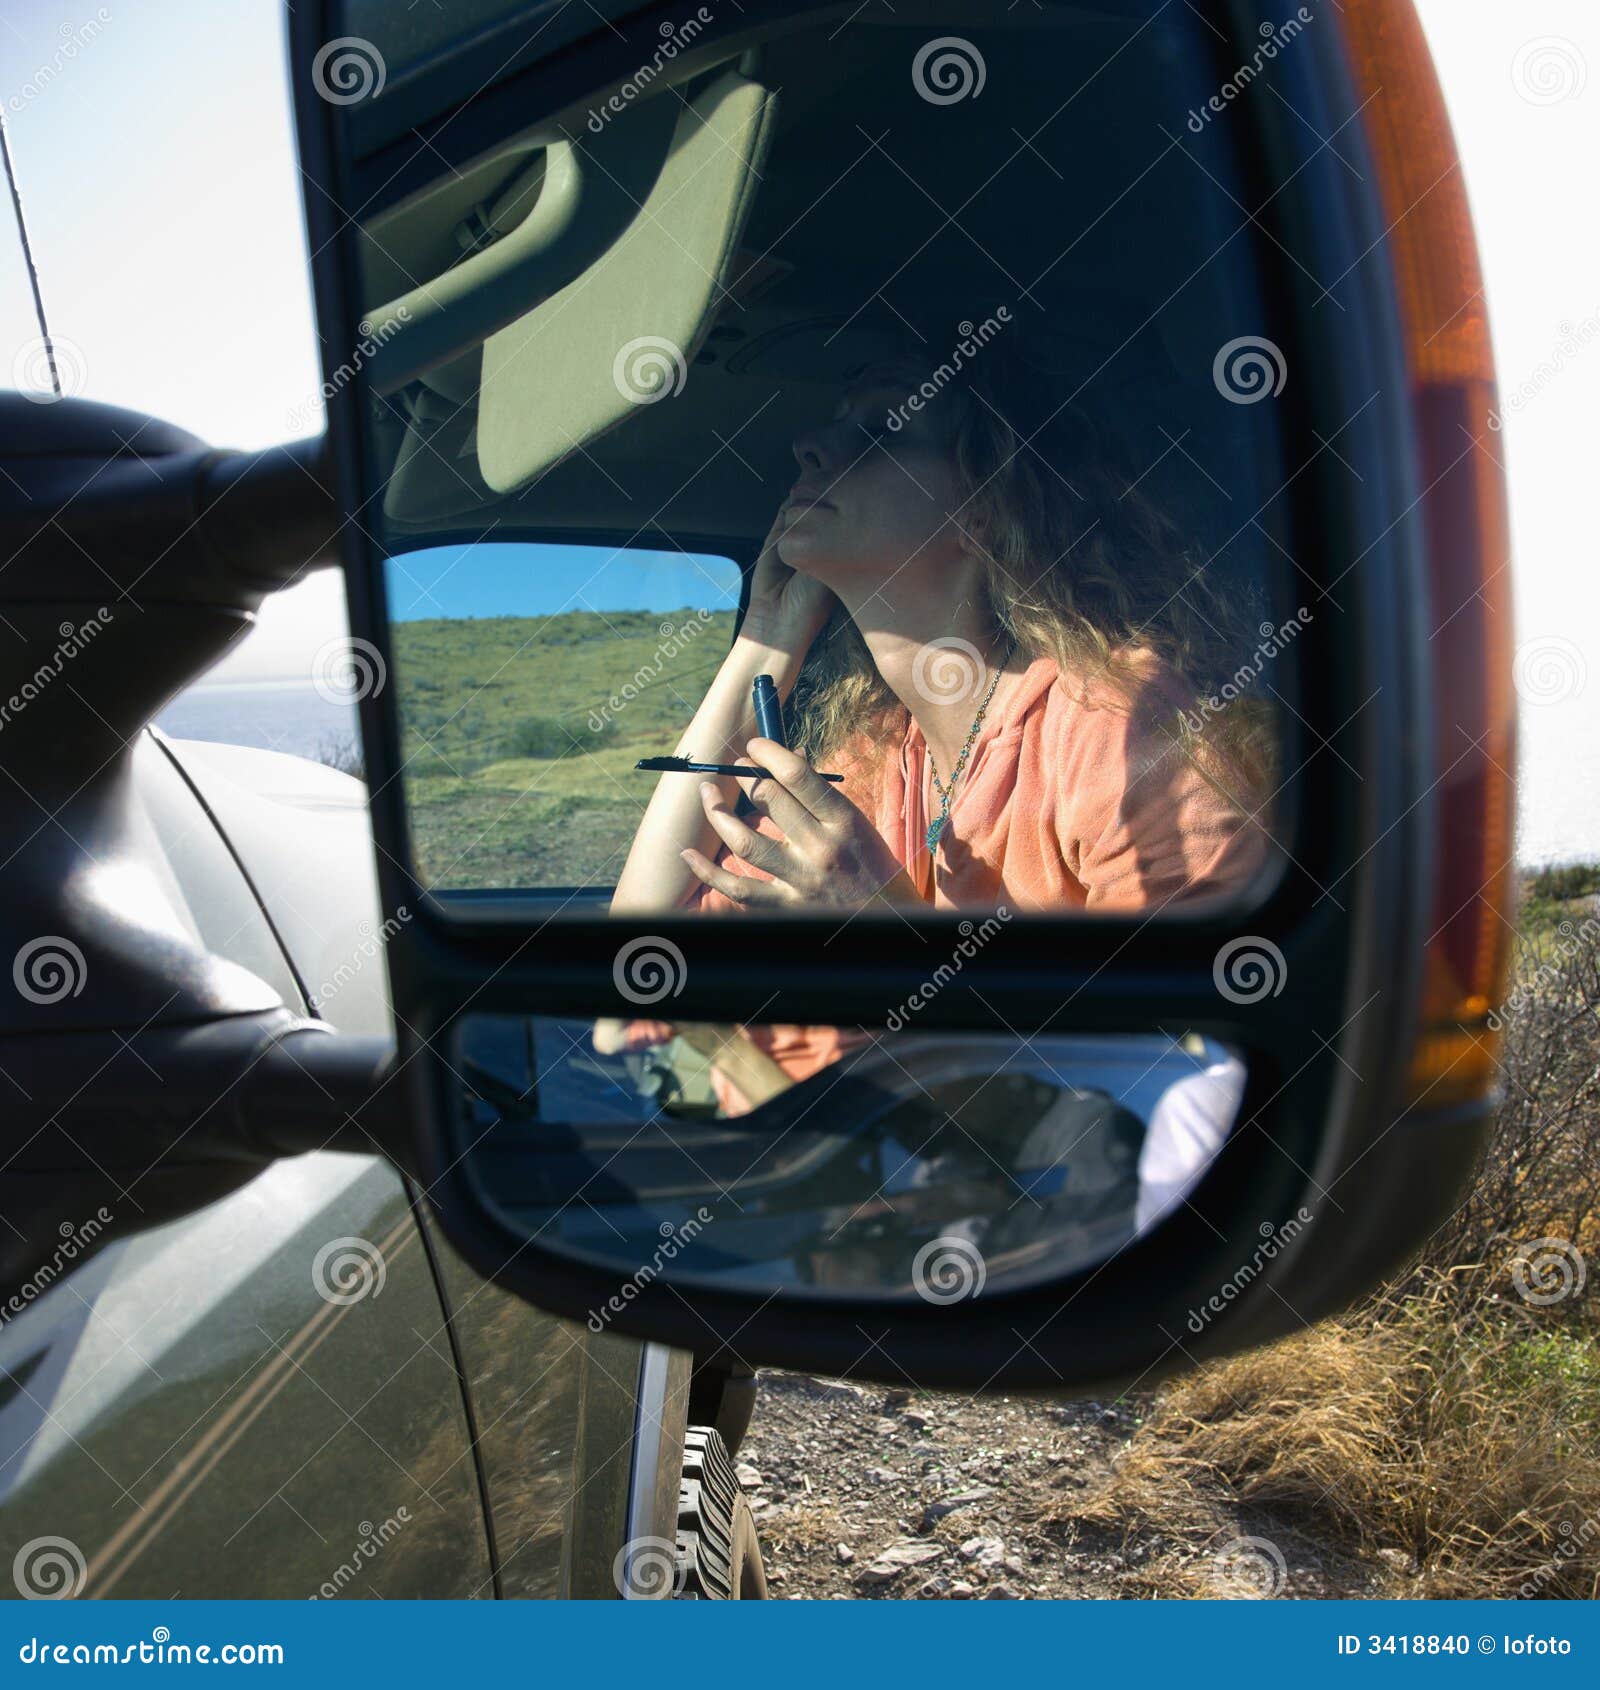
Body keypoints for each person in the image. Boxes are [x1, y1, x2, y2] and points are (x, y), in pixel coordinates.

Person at [595, 324, 1272, 1109]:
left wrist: (888, 935)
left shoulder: (1123, 735)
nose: (811, 446)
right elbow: (637, 974)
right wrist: (763, 645)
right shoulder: (885, 747)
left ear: (988, 505)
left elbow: (1168, 1103)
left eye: (880, 429)